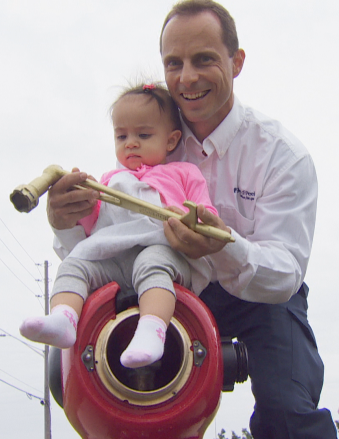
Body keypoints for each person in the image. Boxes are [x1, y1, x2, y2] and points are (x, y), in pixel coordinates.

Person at [47, 1, 338, 437]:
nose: (187, 78)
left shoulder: (282, 155)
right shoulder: (150, 134)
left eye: (204, 59)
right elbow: (105, 242)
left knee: (287, 413)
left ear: (236, 62)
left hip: (261, 300)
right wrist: (64, 219)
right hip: (163, 281)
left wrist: (223, 247)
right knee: (110, 388)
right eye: (174, 63)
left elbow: (285, 275)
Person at [20, 83, 217, 369]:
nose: (131, 142)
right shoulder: (110, 180)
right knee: (75, 265)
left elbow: (204, 211)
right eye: (121, 135)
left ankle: (152, 330)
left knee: (152, 265)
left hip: (161, 250)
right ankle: (64, 318)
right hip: (113, 256)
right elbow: (95, 226)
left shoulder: (183, 173)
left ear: (171, 141)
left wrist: (192, 218)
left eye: (143, 134)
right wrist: (82, 206)